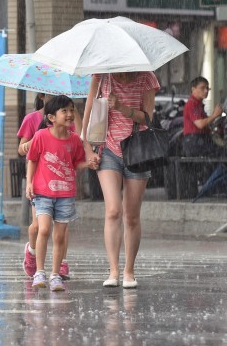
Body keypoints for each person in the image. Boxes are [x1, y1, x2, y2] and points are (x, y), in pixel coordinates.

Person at [82, 72, 160, 289]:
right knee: (113, 210)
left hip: (138, 150)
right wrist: (88, 149)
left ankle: (129, 271)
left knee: (132, 215)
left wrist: (122, 108)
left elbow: (148, 118)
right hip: (109, 150)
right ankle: (114, 270)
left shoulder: (147, 78)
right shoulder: (102, 77)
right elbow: (88, 113)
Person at [25, 96, 89, 291]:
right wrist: (29, 182)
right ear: (52, 117)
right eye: (65, 111)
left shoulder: (75, 140)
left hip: (66, 194)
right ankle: (39, 272)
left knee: (60, 236)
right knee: (43, 229)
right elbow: (33, 159)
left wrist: (90, 164)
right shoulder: (41, 136)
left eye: (71, 110)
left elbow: (77, 163)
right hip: (43, 191)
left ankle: (55, 275)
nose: (70, 114)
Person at [182, 76, 226, 157]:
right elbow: (200, 124)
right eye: (202, 88)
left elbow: (205, 123)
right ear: (193, 89)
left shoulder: (199, 105)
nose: (206, 91)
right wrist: (214, 115)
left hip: (201, 140)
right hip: (195, 142)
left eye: (207, 88)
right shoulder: (192, 104)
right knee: (223, 155)